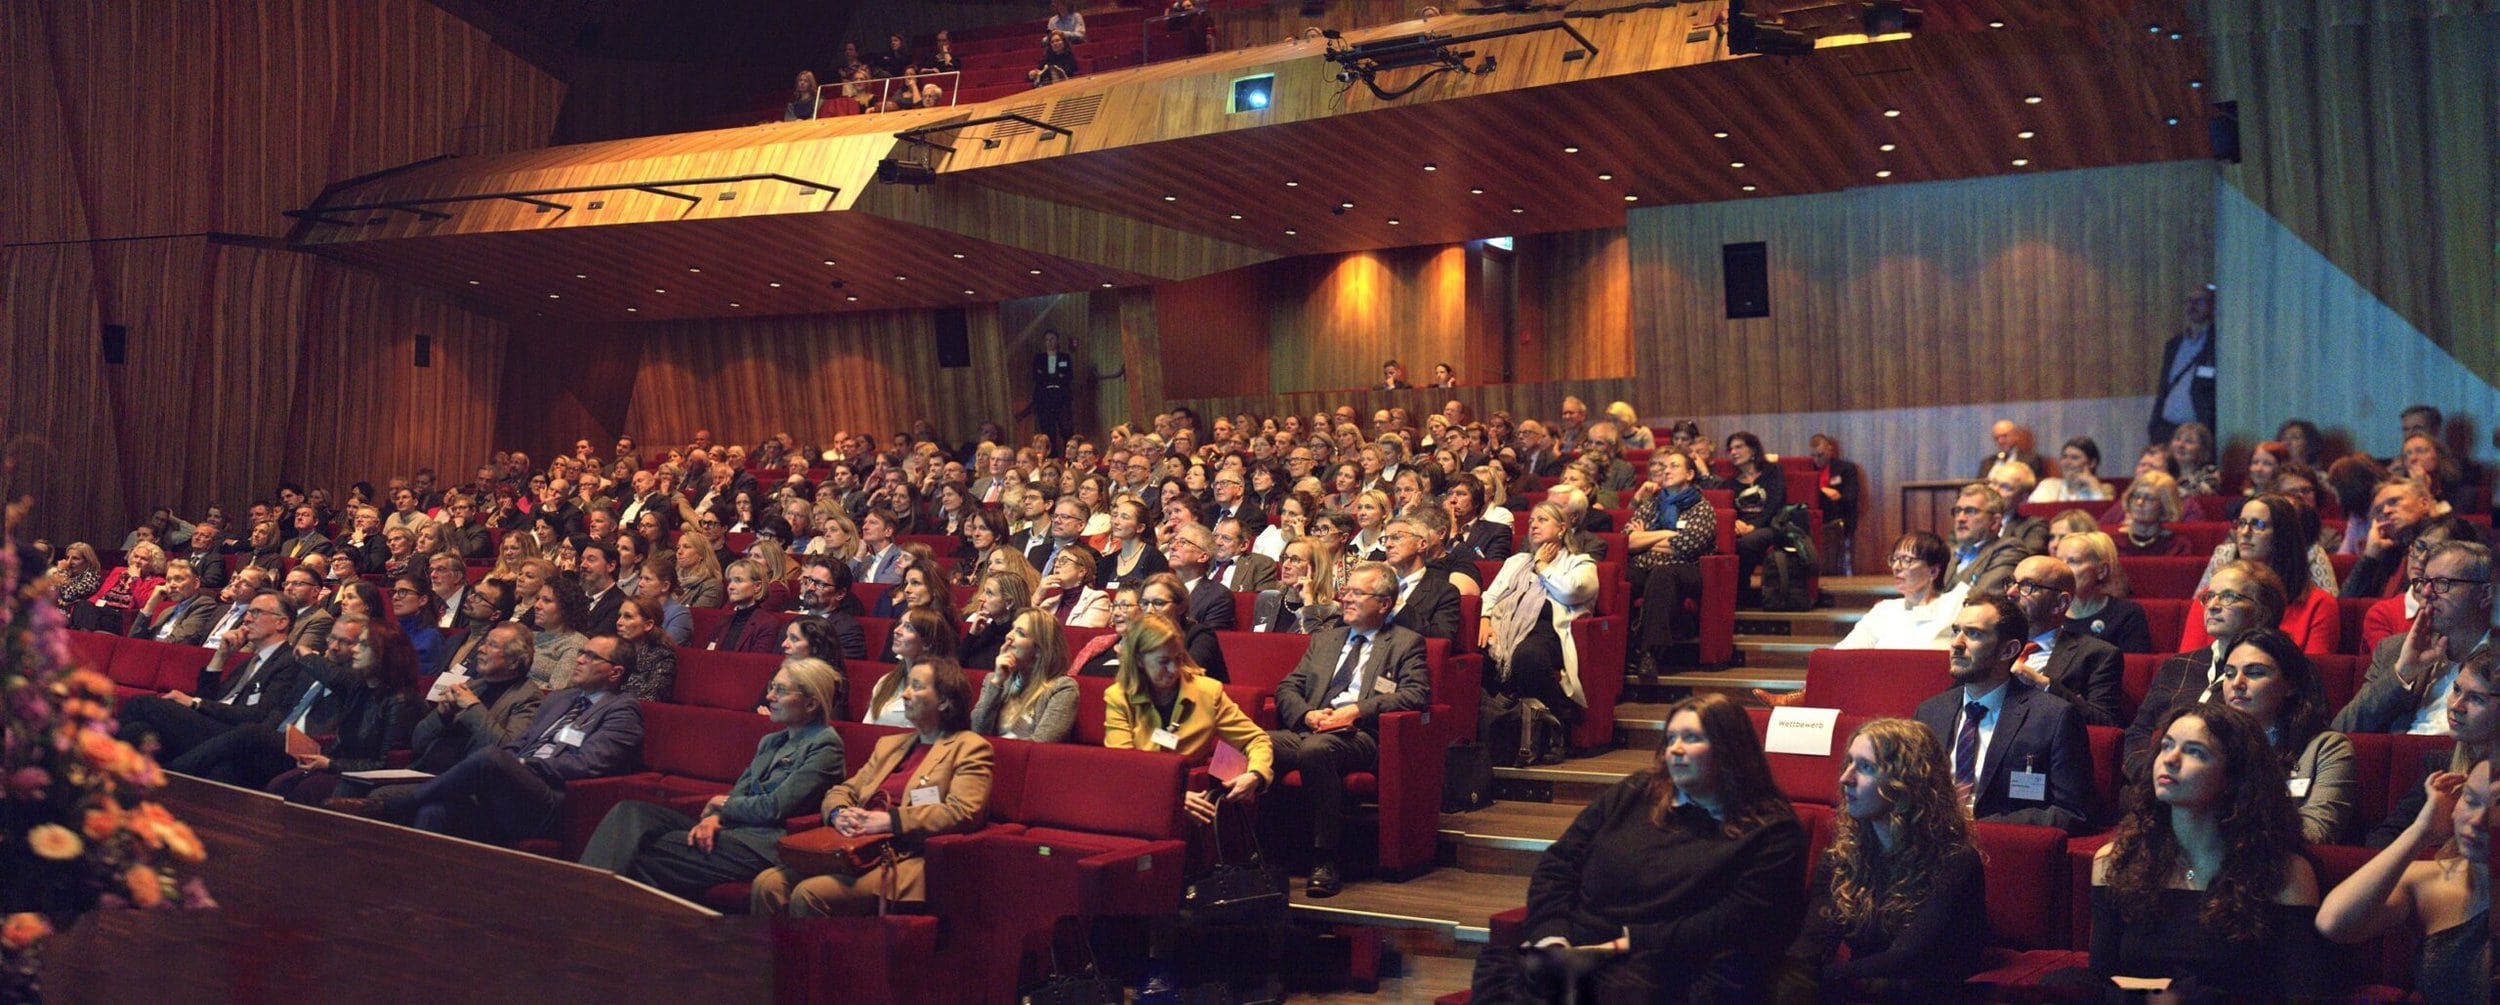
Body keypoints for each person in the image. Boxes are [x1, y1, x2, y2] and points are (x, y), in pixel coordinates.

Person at [1470, 693, 1806, 1001]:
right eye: (1671, 737)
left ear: (1730, 749)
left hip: (1659, 963)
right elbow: (1560, 863)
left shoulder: (1771, 830)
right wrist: (1552, 936)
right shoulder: (1636, 791)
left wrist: (1626, 943)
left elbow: (1732, 923)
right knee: (1503, 974)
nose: (1675, 748)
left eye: (1691, 738)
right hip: (1571, 945)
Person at [2087, 703, 2325, 997]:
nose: (2170, 760)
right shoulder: (2115, 860)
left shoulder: (2285, 873)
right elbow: (2101, 980)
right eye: (2166, 746)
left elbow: (2298, 994)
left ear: (2233, 777)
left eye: (2195, 752)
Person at [580, 658, 847, 899]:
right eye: (772, 687)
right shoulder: (772, 741)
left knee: (642, 851)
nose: (769, 696)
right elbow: (740, 791)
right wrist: (714, 817)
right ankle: (584, 891)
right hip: (734, 830)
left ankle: (588, 900)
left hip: (762, 845)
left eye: (781, 690)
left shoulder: (825, 746)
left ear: (811, 703)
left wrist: (722, 806)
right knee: (631, 812)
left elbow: (775, 807)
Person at [750, 658, 993, 917]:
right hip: (854, 844)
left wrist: (889, 821)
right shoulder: (891, 745)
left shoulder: (969, 747)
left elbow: (963, 810)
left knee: (809, 894)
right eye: (907, 685)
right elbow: (842, 791)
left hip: (904, 856)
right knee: (768, 884)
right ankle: (769, 959)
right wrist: (839, 813)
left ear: (944, 701)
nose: (906, 694)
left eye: (917, 686)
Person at [354, 635, 646, 845]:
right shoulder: (561, 699)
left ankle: (399, 805)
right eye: (582, 652)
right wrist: (513, 761)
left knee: (492, 757)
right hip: (509, 787)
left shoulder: (623, 710)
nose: (580, 659)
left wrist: (519, 765)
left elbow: (587, 765)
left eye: (592, 656)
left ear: (615, 672)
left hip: (551, 799)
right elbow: (520, 742)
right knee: (435, 811)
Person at [1782, 718, 1984, 997]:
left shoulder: (1956, 861)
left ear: (1907, 783)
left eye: (1865, 767)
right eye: (1849, 763)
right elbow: (1812, 944)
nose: (1845, 778)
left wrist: (1815, 979)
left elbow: (1905, 958)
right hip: (1863, 987)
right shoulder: (1840, 857)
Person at [1266, 562, 1431, 897]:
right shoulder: (1326, 640)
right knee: (1251, 743)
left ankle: (1325, 857)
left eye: (1357, 593)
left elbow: (1417, 694)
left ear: (1384, 604)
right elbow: (1287, 687)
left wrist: (1356, 711)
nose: (1346, 599)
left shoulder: (1405, 643)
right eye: (1346, 592)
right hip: (1312, 728)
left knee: (1317, 750)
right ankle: (1257, 852)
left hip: (1362, 736)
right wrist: (1309, 715)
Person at [175, 613, 419, 792]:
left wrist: (330, 763)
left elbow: (385, 763)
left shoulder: (379, 692)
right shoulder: (362, 688)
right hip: (290, 743)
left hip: (316, 752)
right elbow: (284, 708)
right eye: (332, 638)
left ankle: (172, 775)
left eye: (358, 644)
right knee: (224, 770)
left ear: (383, 654)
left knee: (248, 732)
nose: (351, 650)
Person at [1912, 595, 2093, 832]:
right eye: (1956, 630)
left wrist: (1979, 828)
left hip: (2002, 847)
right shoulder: (1930, 712)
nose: (1956, 643)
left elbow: (2072, 811)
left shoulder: (2053, 717)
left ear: (2009, 649)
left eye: (1973, 633)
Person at [2125, 561, 2286, 773]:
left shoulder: (2279, 669)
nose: (2213, 605)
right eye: (2210, 596)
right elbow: (2138, 732)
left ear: (2261, 610)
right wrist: (2150, 776)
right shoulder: (2177, 666)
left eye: (2228, 596)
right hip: (2155, 784)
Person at [115, 590, 307, 759]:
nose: (247, 619)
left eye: (256, 612)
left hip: (232, 734)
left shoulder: (288, 662)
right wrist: (221, 656)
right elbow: (208, 696)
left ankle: (96, 762)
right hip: (208, 724)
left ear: (281, 622)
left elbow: (258, 715)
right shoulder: (249, 662)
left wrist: (195, 703)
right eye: (248, 612)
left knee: (142, 703)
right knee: (137, 731)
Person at [2335, 541, 2495, 735]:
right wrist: (2402, 673)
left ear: (2485, 594)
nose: (2426, 593)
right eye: (2423, 582)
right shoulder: (2395, 650)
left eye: (2442, 584)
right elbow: (2343, 730)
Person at [2215, 628, 2357, 844]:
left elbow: (2317, 832)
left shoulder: (2327, 747)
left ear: (2290, 685)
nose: (2237, 683)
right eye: (2230, 673)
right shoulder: (2210, 742)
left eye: (2254, 672)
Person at [1481, 502, 1599, 730]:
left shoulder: (1580, 563)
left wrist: (1542, 565)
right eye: (1531, 521)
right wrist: (1484, 620)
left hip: (1549, 633)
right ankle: (1497, 728)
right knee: (1478, 653)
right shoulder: (1515, 562)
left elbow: (1570, 591)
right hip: (1504, 630)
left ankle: (1558, 720)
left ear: (1562, 528)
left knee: (1527, 656)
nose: (1534, 525)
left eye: (1542, 520)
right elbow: (1490, 596)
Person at [2001, 554, 2125, 726]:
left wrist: (2042, 684)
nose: (2010, 592)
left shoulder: (2098, 655)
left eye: (2027, 586)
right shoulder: (1991, 644)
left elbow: (2105, 725)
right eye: (2011, 582)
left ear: (2060, 603)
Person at [1624, 453, 1716, 678]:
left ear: (1690, 474)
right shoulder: (1652, 504)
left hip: (1685, 570)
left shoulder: (1701, 508)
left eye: (1674, 466)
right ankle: (1620, 651)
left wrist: (1645, 538)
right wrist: (1666, 534)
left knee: (1662, 575)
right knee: (1621, 576)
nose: (1666, 471)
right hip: (1644, 567)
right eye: (1664, 466)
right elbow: (1627, 540)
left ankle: (1649, 653)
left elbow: (1686, 546)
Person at [969, 609, 1076, 742]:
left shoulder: (1061, 688)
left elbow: (1041, 747)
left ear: (1040, 649)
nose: (1009, 636)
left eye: (1020, 633)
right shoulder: (994, 680)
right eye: (1012, 629)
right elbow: (976, 733)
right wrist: (997, 683)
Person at [2055, 530, 2154, 654]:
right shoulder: (2048, 611)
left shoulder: (2126, 614)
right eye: (2058, 561)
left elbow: (2134, 667)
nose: (2062, 569)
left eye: (2073, 561)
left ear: (2101, 571)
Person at [2148, 286, 2217, 446]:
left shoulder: (2217, 342)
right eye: (2189, 301)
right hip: (2166, 428)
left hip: (2199, 431)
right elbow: (2163, 388)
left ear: (2212, 306)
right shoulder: (2174, 344)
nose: (2193, 305)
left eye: (2200, 300)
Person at [863, 609, 956, 727]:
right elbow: (867, 726)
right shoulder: (885, 682)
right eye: (899, 624)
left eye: (908, 628)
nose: (897, 631)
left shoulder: (940, 689)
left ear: (927, 643)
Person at [1724, 433, 1784, 604]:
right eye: (1731, 449)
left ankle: (1741, 591)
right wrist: (1734, 522)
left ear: (1753, 450)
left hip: (1771, 524)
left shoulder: (1772, 472)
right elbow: (1729, 509)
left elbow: (1775, 503)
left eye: (1739, 447)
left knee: (1746, 543)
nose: (1733, 452)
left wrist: (1754, 526)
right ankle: (1735, 594)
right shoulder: (1730, 483)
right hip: (1741, 528)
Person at [1943, 483, 2033, 598]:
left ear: (1995, 522)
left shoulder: (2009, 550)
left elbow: (1980, 599)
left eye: (1970, 511)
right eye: (1957, 511)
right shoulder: (1950, 553)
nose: (1960, 518)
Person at [1807, 434, 1863, 575]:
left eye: (1820, 455)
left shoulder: (1846, 468)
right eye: (1813, 456)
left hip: (1839, 512)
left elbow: (1850, 496)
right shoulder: (1807, 468)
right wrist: (1823, 491)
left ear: (1830, 450)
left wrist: (1836, 496)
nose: (1817, 460)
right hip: (1812, 512)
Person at [2108, 470, 2195, 557]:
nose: (2139, 502)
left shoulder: (2177, 546)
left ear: (2165, 505)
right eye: (2136, 496)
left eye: (2149, 498)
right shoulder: (2111, 543)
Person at [2029, 436, 2110, 503]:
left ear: (2092, 463)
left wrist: (2092, 483)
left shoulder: (2104, 490)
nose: (2066, 463)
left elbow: (2102, 517)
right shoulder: (2048, 486)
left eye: (2074, 458)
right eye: (2064, 457)